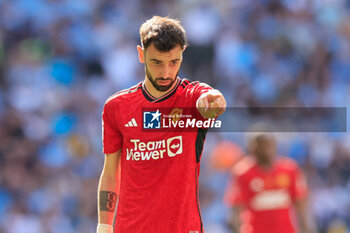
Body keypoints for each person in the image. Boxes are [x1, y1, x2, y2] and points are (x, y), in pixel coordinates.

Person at [97, 16, 226, 233]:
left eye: (173, 62)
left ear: (182, 54)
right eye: (157, 63)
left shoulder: (191, 97)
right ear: (141, 54)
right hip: (130, 228)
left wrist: (213, 101)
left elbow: (214, 99)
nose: (166, 73)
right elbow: (110, 172)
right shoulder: (116, 107)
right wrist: (104, 224)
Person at [224, 133, 315, 233]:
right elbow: (236, 211)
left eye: (269, 144)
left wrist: (307, 228)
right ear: (252, 148)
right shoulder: (242, 173)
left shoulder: (289, 169)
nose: (266, 149)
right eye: (261, 145)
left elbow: (301, 206)